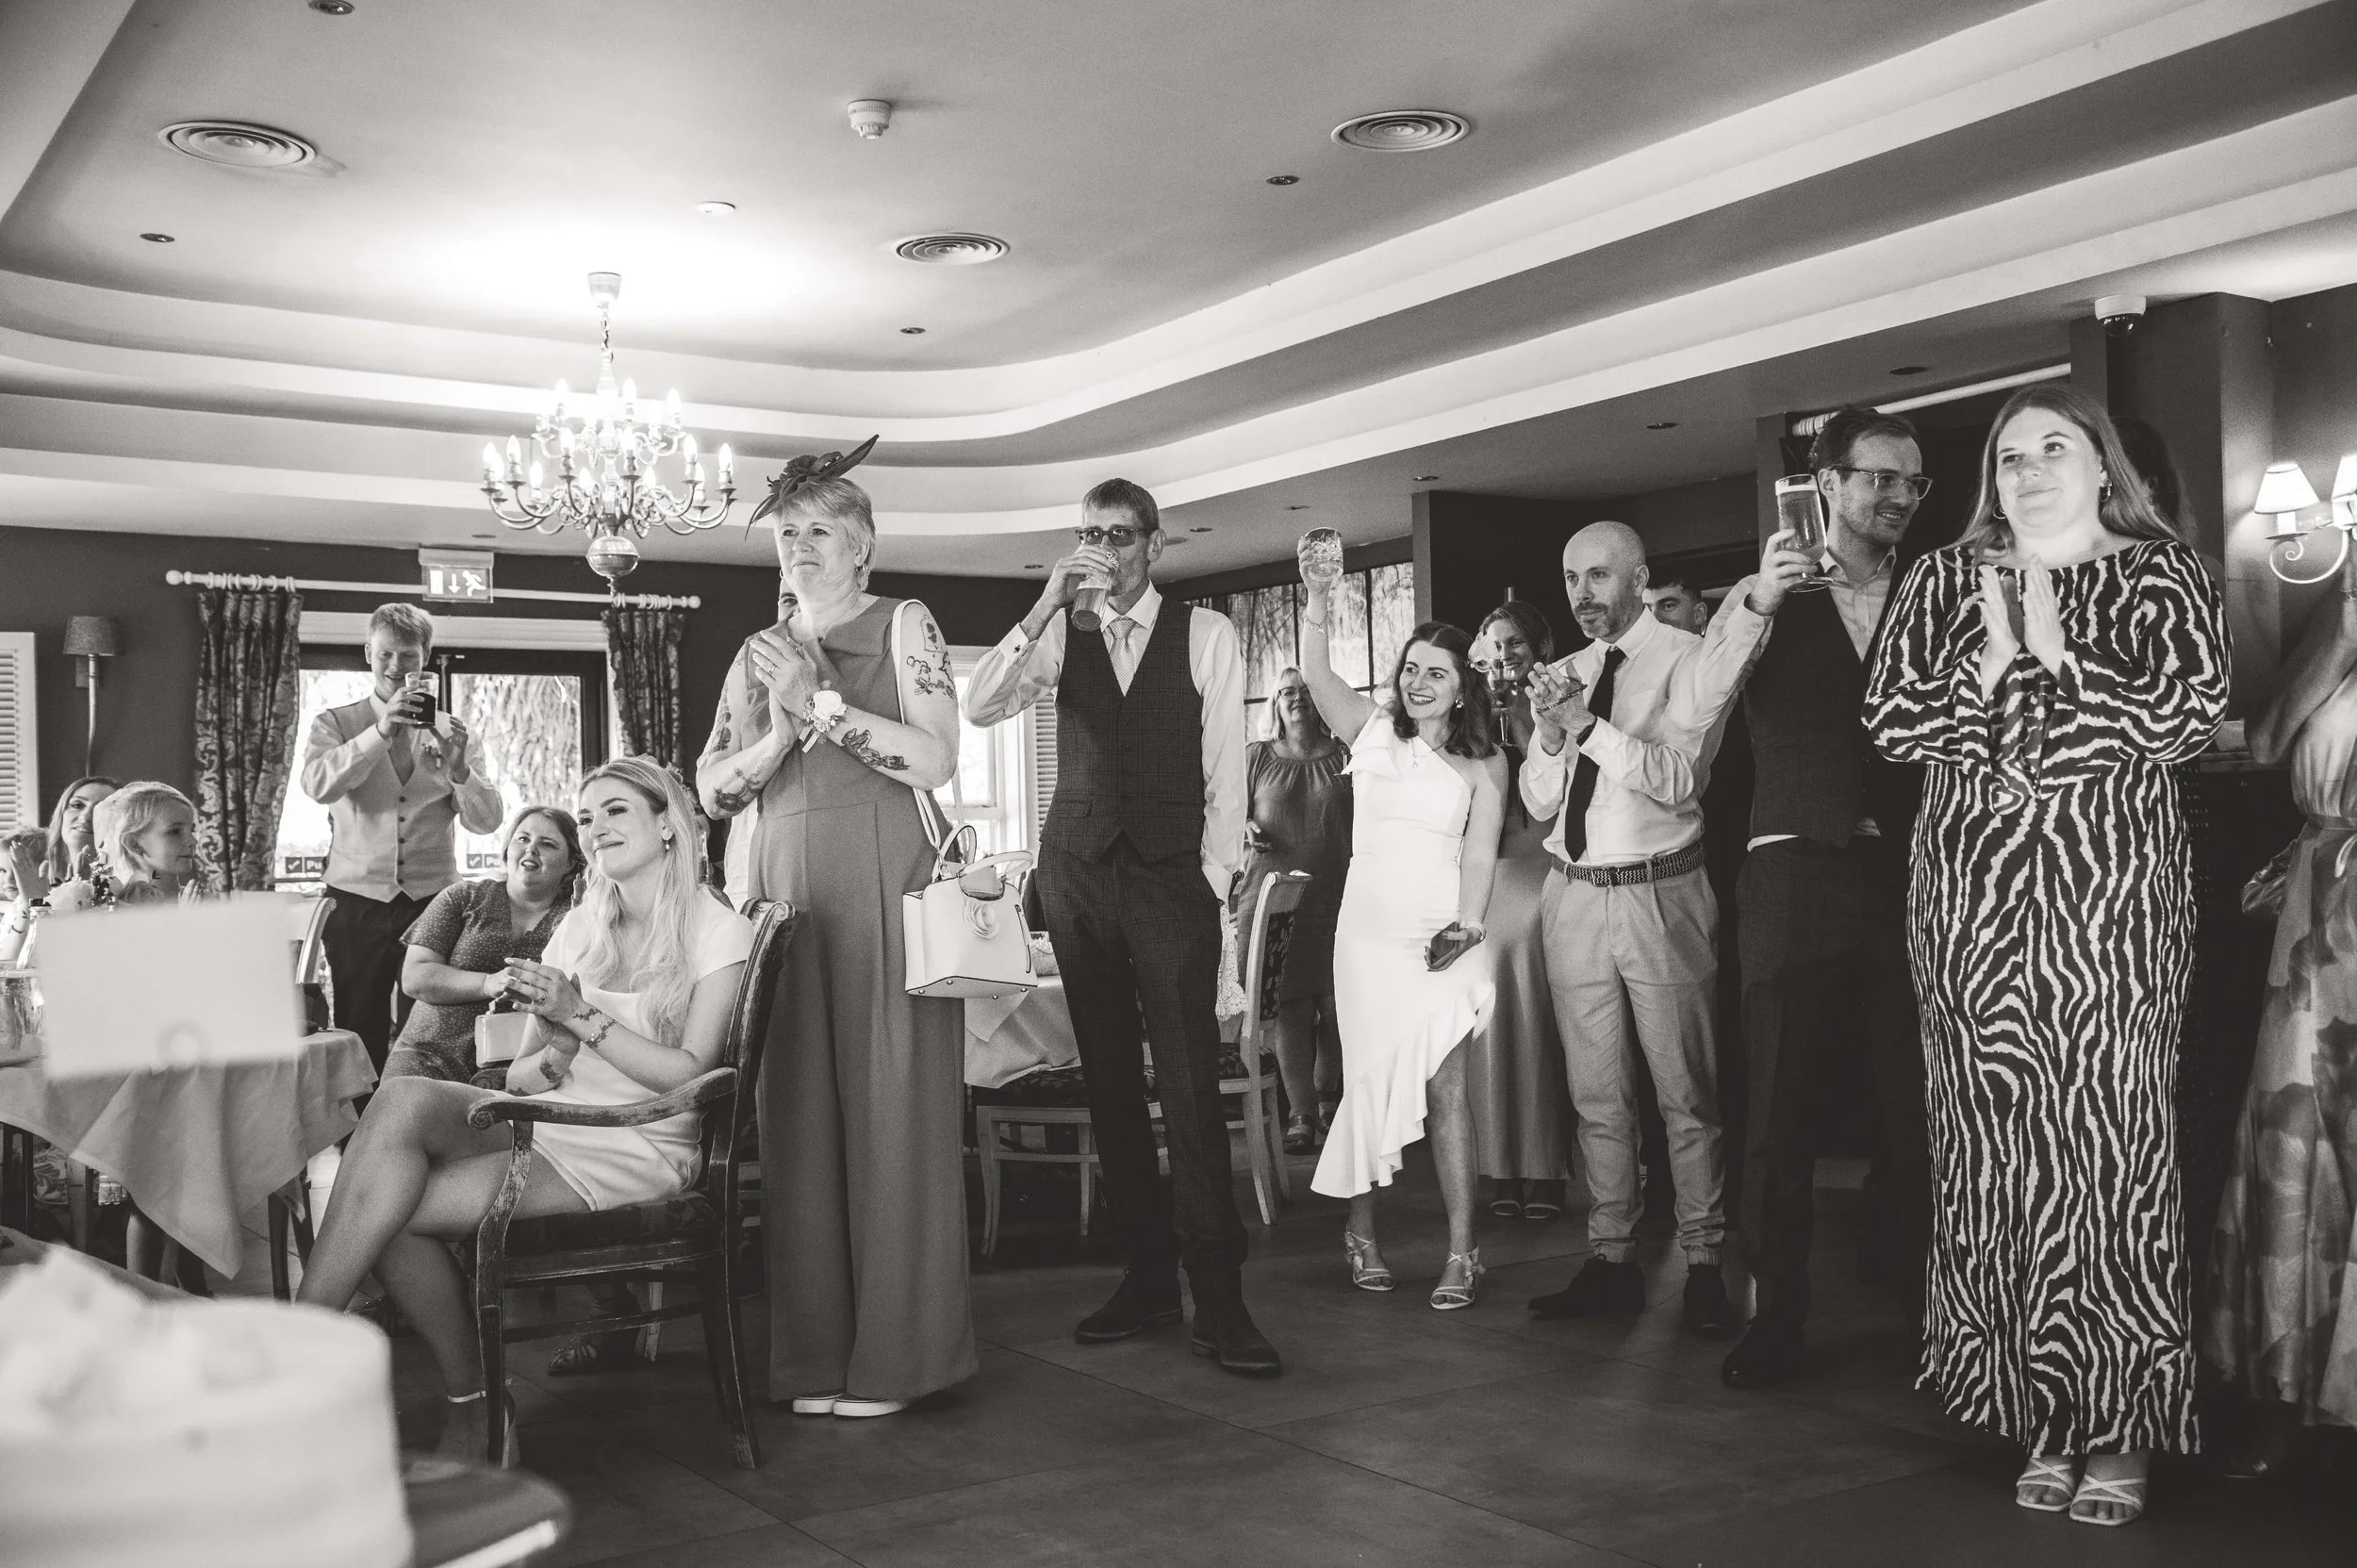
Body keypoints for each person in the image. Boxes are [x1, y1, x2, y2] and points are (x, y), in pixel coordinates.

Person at [1864, 383, 2229, 1527]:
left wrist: (2066, 660)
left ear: (2101, 465)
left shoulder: (2160, 575)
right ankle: (2038, 1411)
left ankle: (2119, 1424)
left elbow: (2186, 717)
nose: (2024, 472)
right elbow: (1889, 722)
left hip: (2108, 906)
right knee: (1991, 1149)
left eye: (2051, 448)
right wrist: (1986, 669)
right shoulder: (1939, 580)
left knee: (2108, 1154)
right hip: (1965, 904)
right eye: (2007, 455)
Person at [297, 758, 753, 1463]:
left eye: (616, 810)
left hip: (637, 1140)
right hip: (554, 1116)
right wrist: (558, 1054)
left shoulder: (715, 927)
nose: (596, 826)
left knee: (385, 1211)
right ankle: (322, 1352)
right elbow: (526, 1072)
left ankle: (457, 1396)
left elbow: (694, 1075)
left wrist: (584, 1018)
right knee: (402, 1099)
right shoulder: (580, 928)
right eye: (589, 814)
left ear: (668, 823)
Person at [965, 476, 1277, 1377]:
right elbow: (981, 706)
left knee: (1185, 1091)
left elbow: (1227, 773)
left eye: (1120, 535)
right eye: (1090, 533)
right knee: (1109, 1087)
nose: (1105, 548)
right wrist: (1043, 602)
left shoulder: (1208, 634)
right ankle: (1145, 1279)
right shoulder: (1064, 631)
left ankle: (1220, 1300)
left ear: (1154, 543)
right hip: (1075, 876)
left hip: (1171, 879)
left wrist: (1208, 882)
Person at [698, 473, 975, 1418]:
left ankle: (901, 1358)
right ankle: (814, 1355)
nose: (801, 547)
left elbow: (936, 760)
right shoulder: (756, 651)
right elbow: (710, 792)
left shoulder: (907, 622)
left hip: (882, 871)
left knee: (891, 1110)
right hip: (782, 885)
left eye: (821, 531)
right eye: (788, 533)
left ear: (862, 542)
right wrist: (777, 733)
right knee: (798, 1116)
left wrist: (823, 708)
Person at [1709, 407, 1936, 1393]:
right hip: (1792, 875)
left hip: (1910, 875)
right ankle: (1776, 1314)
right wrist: (1755, 599)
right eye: (1876, 477)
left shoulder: (1935, 596)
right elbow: (1698, 707)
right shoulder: (1759, 597)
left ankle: (1941, 1318)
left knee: (1918, 1107)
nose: (1892, 497)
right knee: (1778, 1110)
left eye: (1909, 483)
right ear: (1826, 483)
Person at [1519, 521, 1768, 1336]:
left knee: (1685, 1093)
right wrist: (1551, 738)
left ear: (1639, 575)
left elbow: (1673, 777)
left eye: (1597, 576)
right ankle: (1611, 1259)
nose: (1582, 594)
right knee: (1596, 1095)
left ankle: (1702, 1264)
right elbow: (1540, 802)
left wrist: (1586, 728)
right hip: (1574, 895)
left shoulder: (1686, 659)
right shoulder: (1568, 672)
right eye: (1570, 578)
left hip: (1662, 894)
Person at [2205, 544, 2357, 1476]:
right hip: (2321, 923)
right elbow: (2265, 742)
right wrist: (2343, 622)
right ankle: (2285, 1391)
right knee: (2297, 1138)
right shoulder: (2343, 618)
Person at [1304, 611, 1506, 1309]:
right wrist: (1316, 602)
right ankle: (1360, 1234)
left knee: (1449, 1085)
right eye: (1411, 667)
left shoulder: (1484, 762)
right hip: (1366, 931)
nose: (1418, 682)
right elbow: (1317, 674)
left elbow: (1479, 852)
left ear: (1461, 689)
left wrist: (1470, 923)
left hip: (1442, 929)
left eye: (1436, 673)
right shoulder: (1370, 728)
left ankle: (1462, 1252)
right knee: (1364, 1077)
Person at [300, 603, 503, 1069]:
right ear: (367, 653)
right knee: (357, 1023)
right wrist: (381, 731)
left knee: (430, 1023)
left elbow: (487, 821)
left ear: (425, 658)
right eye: (385, 654)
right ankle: (357, 1136)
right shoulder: (335, 724)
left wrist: (460, 771)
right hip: (356, 900)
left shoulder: (454, 733)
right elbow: (317, 786)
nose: (396, 666)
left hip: (435, 901)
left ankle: (418, 1122)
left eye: (408, 656)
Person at [1466, 602, 1572, 1222]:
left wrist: (1525, 719)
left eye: (1515, 647)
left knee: (1540, 1020)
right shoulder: (1472, 710)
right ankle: (1499, 1166)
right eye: (1494, 647)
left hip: (1547, 866)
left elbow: (1549, 796)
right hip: (1493, 871)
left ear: (1538, 652)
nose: (1504, 659)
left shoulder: (1558, 698)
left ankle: (1548, 1166)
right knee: (1490, 1022)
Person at [1235, 668, 1350, 1153]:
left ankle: (1332, 1102)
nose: (1297, 699)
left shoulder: (1348, 753)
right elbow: (1220, 811)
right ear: (1275, 706)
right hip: (1273, 900)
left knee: (1337, 1004)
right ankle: (1301, 1113)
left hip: (1341, 897)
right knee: (1288, 1006)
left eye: (1305, 692)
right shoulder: (1256, 757)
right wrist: (1242, 826)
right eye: (1287, 692)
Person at [385, 807, 582, 1084]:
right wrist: (488, 983)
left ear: (571, 863)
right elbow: (415, 978)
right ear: (508, 848)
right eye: (522, 839)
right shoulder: (463, 896)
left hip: (523, 1068)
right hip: (429, 1057)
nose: (531, 849)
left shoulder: (578, 918)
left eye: (547, 844)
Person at [710, 585, 797, 910]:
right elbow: (713, 800)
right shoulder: (749, 667)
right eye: (788, 600)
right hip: (754, 874)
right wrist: (778, 742)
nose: (797, 612)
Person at [48, 782, 206, 910]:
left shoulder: (202, 900)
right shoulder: (113, 907)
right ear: (134, 843)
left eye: (192, 830)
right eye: (175, 831)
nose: (193, 841)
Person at [41, 776, 119, 885]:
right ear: (62, 813)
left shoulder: (132, 888)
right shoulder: (34, 876)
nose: (86, 817)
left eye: (100, 809)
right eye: (77, 805)